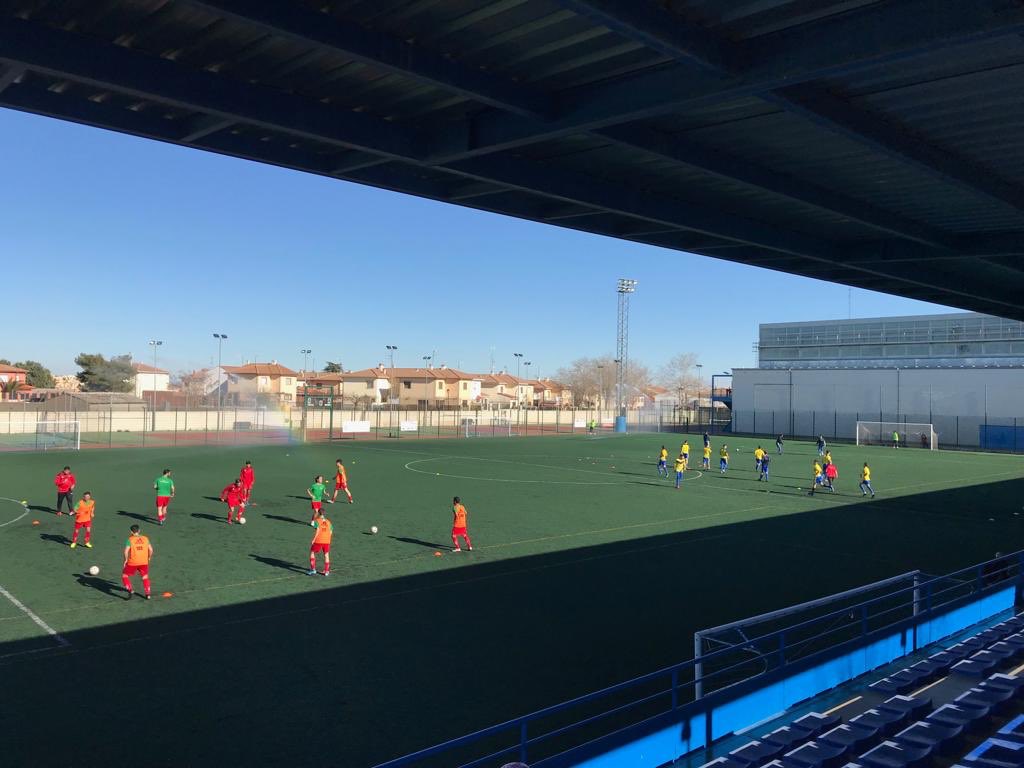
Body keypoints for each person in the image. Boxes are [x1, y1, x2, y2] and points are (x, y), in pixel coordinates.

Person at [122, 524, 153, 599]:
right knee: (145, 577)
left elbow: (126, 551)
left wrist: (125, 560)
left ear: (131, 532)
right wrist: (149, 557)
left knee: (125, 575)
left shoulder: (130, 539)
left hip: (133, 562)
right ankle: (148, 594)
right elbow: (151, 550)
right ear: (139, 531)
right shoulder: (145, 538)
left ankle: (130, 590)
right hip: (144, 562)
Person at [308, 508, 332, 576]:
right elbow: (330, 531)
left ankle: (313, 570)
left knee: (312, 552)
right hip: (327, 541)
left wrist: (313, 539)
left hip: (319, 540)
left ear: (318, 513)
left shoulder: (317, 521)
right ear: (324, 513)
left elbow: (318, 530)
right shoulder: (328, 521)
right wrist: (328, 539)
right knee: (326, 555)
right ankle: (326, 571)